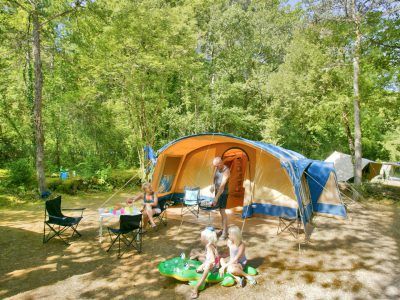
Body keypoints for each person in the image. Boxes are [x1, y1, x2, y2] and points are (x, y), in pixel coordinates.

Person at [191, 227, 219, 299]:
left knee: (207, 266)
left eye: (202, 237)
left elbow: (213, 260)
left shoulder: (210, 246)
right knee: (195, 252)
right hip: (210, 261)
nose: (201, 238)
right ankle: (201, 263)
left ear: (206, 238)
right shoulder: (209, 245)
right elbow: (207, 255)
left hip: (213, 266)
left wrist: (203, 265)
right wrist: (197, 255)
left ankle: (196, 288)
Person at [210, 156, 230, 240]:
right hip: (217, 192)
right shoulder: (217, 168)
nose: (216, 168)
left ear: (221, 163)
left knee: (222, 212)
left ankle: (225, 233)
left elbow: (222, 186)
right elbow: (214, 177)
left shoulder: (226, 171)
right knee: (220, 211)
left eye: (217, 166)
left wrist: (216, 198)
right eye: (215, 166)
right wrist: (212, 185)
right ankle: (223, 229)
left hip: (223, 193)